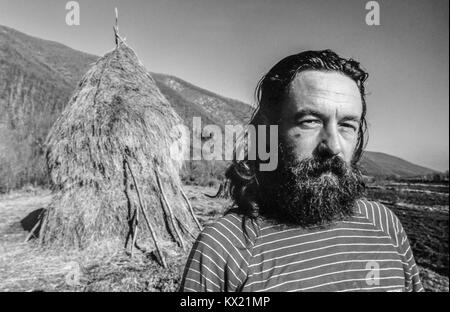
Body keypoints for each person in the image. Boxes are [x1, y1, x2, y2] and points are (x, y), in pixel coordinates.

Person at [179, 50, 423, 292]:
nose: (334, 146)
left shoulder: (383, 223)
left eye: (347, 125)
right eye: (310, 121)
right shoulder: (224, 248)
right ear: (268, 133)